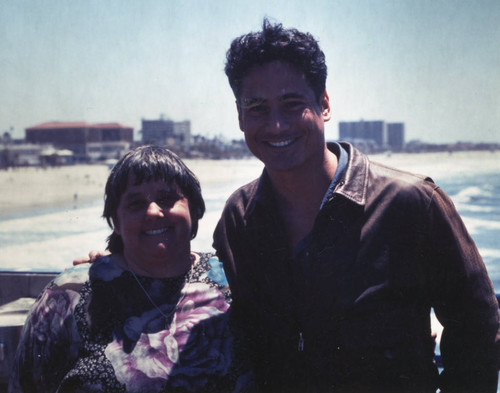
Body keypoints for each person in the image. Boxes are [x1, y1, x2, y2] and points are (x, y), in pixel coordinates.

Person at [213, 19, 500, 392]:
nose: (276, 125)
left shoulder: (410, 204)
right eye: (257, 108)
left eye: (291, 103)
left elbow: (479, 327)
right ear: (239, 115)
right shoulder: (239, 217)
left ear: (324, 104)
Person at [10, 146, 254, 392]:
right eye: (135, 204)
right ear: (115, 222)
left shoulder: (234, 283)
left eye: (167, 199)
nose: (152, 212)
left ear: (195, 209)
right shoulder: (69, 295)